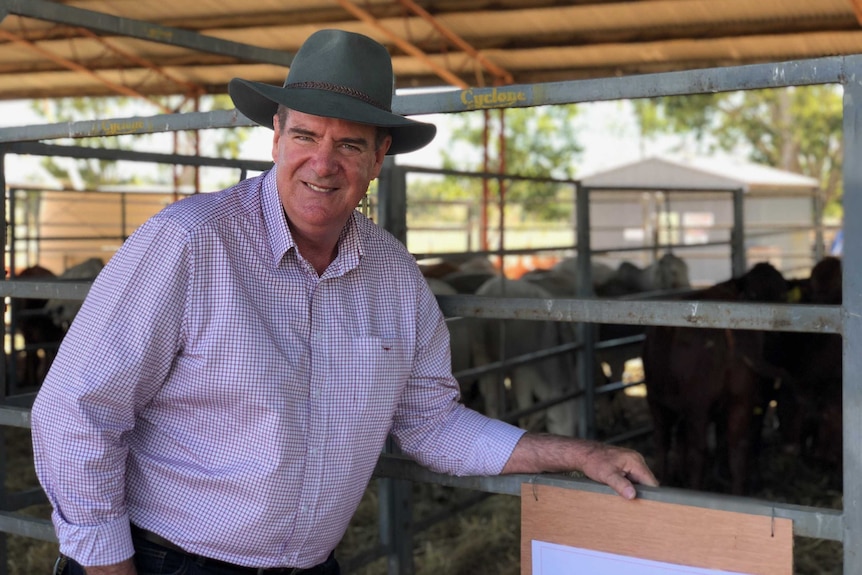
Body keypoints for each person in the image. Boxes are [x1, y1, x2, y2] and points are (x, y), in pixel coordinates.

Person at [31, 29, 658, 575]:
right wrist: (108, 567)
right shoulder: (190, 244)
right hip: (168, 561)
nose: (322, 164)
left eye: (350, 145)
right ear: (275, 136)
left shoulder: (393, 276)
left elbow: (432, 425)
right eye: (305, 135)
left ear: (380, 157)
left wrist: (578, 453)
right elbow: (75, 411)